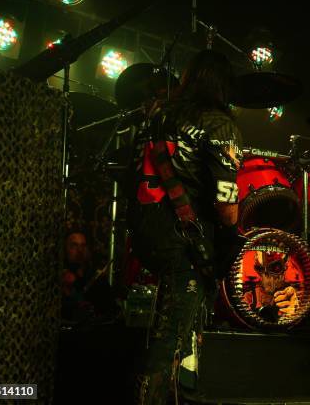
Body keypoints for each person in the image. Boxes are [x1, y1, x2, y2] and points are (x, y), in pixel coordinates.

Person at [128, 49, 244, 404]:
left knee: (172, 321)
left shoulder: (156, 116)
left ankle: (184, 391)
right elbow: (227, 210)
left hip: (147, 231)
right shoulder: (219, 124)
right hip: (186, 238)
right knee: (174, 335)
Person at [61, 230, 115, 321]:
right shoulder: (60, 276)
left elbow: (109, 308)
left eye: (83, 245)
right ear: (66, 249)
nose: (79, 250)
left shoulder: (96, 277)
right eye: (74, 245)